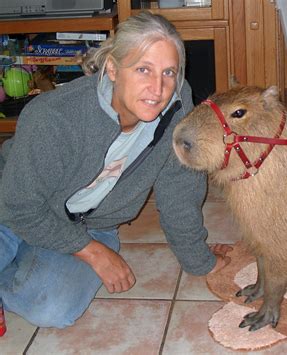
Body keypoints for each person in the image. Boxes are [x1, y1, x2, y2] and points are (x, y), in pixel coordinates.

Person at [0, 11, 231, 328]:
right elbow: (20, 207)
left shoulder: (178, 105)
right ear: (112, 68)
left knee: (53, 309)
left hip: (90, 222)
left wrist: (199, 261)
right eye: (143, 69)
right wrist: (92, 252)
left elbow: (180, 191)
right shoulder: (53, 117)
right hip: (13, 202)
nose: (158, 87)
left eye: (169, 72)